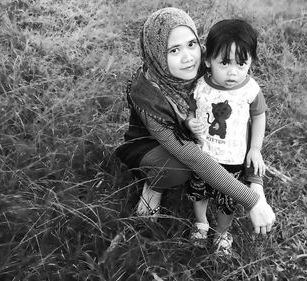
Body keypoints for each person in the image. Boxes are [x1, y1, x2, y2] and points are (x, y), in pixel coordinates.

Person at [115, 7, 275, 239]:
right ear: (157, 53)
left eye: (191, 44)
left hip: (197, 136)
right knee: (178, 168)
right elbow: (189, 154)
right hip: (155, 146)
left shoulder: (210, 68)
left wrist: (255, 180)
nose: (188, 57)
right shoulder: (148, 93)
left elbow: (243, 116)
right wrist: (252, 201)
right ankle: (154, 186)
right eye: (174, 50)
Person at [184, 19, 267, 255]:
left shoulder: (250, 89)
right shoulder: (200, 86)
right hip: (203, 156)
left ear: (251, 62)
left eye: (242, 64)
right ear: (208, 60)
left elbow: (259, 116)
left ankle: (222, 231)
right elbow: (191, 109)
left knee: (226, 201)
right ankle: (201, 223)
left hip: (233, 160)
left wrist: (255, 149)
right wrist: (190, 121)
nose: (233, 72)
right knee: (199, 193)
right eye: (225, 63)